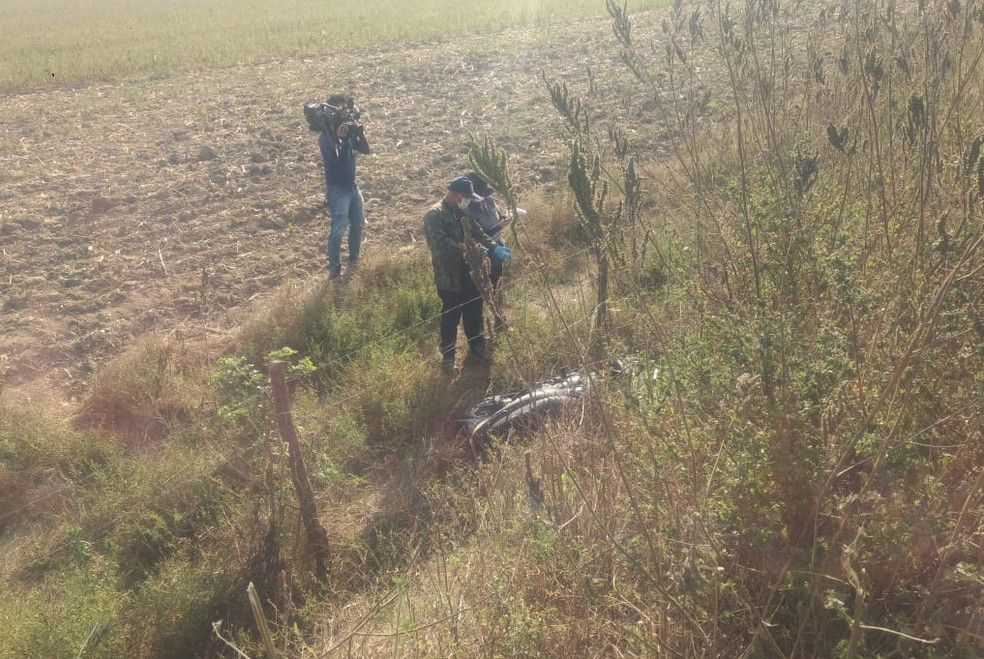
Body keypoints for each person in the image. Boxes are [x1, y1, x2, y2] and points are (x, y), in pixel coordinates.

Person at [424, 176, 512, 374]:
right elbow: (439, 244)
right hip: (450, 275)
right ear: (455, 195)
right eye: (465, 197)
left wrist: (494, 247)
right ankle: (448, 358)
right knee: (451, 316)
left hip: (471, 270)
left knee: (474, 309)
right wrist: (467, 248)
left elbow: (478, 233)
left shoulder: (463, 209)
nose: (468, 201)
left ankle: (477, 345)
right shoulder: (434, 215)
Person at [319, 94, 371, 279]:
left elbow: (365, 150)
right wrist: (340, 141)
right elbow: (333, 161)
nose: (345, 111)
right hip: (338, 191)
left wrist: (358, 132)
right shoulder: (326, 137)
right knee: (338, 231)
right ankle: (335, 270)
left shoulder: (347, 131)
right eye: (341, 108)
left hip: (352, 188)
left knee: (358, 225)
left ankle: (354, 260)